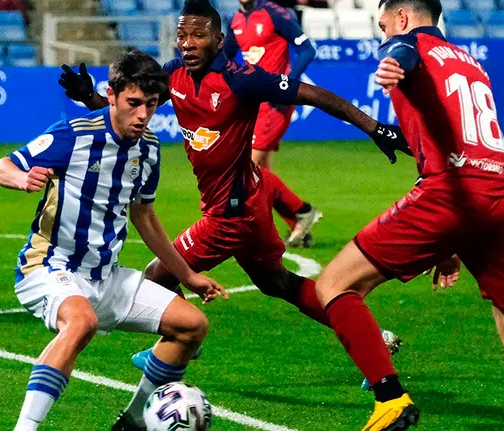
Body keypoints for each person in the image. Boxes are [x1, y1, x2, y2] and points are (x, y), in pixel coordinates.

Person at [59, 0, 410, 403]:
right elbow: (130, 110)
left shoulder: (241, 80)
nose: (188, 44)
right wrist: (90, 99)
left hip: (228, 215)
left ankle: (179, 347)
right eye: (182, 36)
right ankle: (372, 343)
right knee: (278, 283)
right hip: (250, 204)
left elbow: (315, 96)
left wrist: (375, 127)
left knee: (158, 275)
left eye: (198, 35)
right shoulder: (172, 76)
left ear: (219, 39)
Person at [314, 1, 504, 430]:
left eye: (383, 26)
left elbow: (406, 51)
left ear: (400, 18)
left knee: (334, 285)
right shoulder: (471, 62)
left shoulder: (405, 45)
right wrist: (449, 244)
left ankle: (390, 401)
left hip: (451, 193)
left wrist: (393, 62)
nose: (383, 36)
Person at [0, 49, 227, 431]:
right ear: (111, 94)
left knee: (192, 325)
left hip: (106, 276)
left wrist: (187, 275)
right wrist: (20, 179)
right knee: (80, 323)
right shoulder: (74, 135)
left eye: (151, 105)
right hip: (49, 267)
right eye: (134, 103)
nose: (143, 115)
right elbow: (0, 167)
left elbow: (144, 215)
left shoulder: (149, 148)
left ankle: (132, 422)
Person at [225, 0, 321, 248]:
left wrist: (286, 83)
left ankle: (254, 229)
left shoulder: (274, 14)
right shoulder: (235, 20)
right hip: (254, 102)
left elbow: (307, 49)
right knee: (261, 172)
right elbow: (223, 56)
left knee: (248, 168)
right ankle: (298, 219)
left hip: (274, 102)